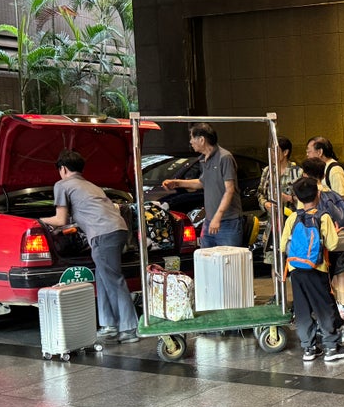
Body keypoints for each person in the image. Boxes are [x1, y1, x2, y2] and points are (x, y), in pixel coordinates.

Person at [42, 149, 140, 344]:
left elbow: (60, 219)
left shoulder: (62, 184)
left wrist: (39, 221)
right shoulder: (92, 186)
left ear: (62, 169)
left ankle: (129, 328)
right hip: (117, 229)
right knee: (103, 276)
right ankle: (109, 325)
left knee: (113, 278)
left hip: (103, 234)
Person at [283, 176, 344, 362]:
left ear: (296, 197)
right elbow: (332, 244)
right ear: (318, 194)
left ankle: (309, 349)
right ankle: (331, 347)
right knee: (324, 307)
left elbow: (283, 246)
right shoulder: (323, 217)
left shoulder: (292, 218)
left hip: (295, 270)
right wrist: (333, 234)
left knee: (303, 309)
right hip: (317, 269)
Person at [305, 136, 344, 319]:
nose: (307, 153)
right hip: (335, 229)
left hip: (339, 229)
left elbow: (342, 199)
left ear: (320, 152)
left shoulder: (334, 170)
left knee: (340, 268)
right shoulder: (327, 172)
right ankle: (341, 304)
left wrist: (332, 222)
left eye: (309, 150)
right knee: (338, 269)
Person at [164, 123, 240, 247]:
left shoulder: (225, 158)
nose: (190, 142)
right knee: (207, 260)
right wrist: (177, 183)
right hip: (209, 221)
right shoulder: (203, 159)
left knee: (228, 262)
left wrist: (218, 217)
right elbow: (202, 182)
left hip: (227, 222)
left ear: (201, 139)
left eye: (192, 138)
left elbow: (229, 190)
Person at [257, 136, 303, 262]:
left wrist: (288, 198)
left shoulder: (297, 172)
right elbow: (260, 193)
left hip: (292, 223)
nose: (271, 154)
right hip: (273, 224)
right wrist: (266, 204)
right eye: (270, 151)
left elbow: (305, 199)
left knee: (294, 259)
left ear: (285, 152)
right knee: (274, 261)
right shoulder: (267, 171)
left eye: (274, 151)